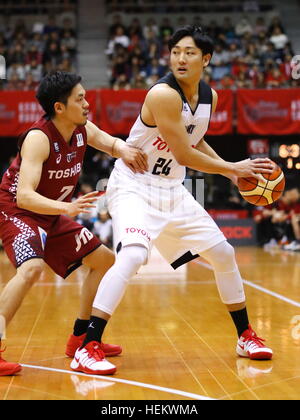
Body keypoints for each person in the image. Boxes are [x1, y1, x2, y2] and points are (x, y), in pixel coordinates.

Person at [71, 26, 275, 376]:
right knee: (133, 254)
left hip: (172, 189)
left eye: (190, 52)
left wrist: (230, 174)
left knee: (224, 254)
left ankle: (245, 336)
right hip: (135, 184)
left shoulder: (208, 96)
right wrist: (232, 166)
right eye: (176, 51)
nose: (181, 58)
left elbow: (193, 140)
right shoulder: (163, 95)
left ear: (206, 59)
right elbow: (183, 152)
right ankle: (88, 345)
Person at [0, 71, 148, 376]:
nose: (86, 103)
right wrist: (68, 207)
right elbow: (25, 197)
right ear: (59, 107)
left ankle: (80, 337)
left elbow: (108, 142)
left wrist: (126, 151)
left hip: (52, 213)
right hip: (18, 211)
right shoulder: (38, 139)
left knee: (105, 259)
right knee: (30, 270)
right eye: (79, 98)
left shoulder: (81, 129)